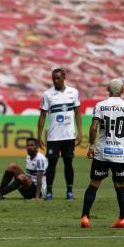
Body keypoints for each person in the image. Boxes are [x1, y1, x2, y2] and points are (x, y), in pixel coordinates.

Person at [80, 79, 124, 228]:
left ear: (108, 89)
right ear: (122, 90)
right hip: (120, 154)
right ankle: (122, 219)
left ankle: (85, 217)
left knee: (94, 184)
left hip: (102, 152)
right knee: (119, 186)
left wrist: (91, 146)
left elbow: (93, 127)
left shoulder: (100, 105)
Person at [37, 68, 82, 200]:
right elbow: (42, 116)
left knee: (68, 163)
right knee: (51, 164)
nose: (55, 81)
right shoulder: (47, 94)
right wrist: (39, 136)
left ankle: (69, 191)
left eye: (58, 78)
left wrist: (80, 133)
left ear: (64, 77)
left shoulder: (73, 92)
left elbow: (78, 113)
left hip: (69, 136)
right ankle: (49, 192)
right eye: (53, 79)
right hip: (53, 137)